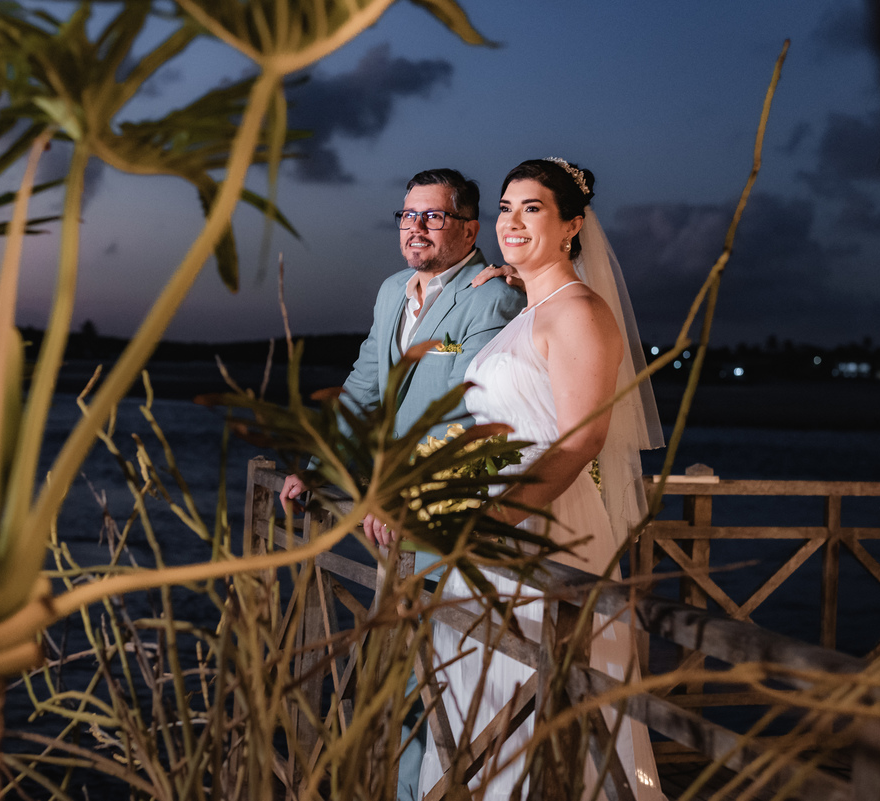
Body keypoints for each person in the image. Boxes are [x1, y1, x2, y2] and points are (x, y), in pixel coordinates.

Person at [416, 158, 666, 799]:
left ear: (572, 226)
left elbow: (582, 439)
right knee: (479, 708)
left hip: (545, 528)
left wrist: (496, 517)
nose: (512, 221)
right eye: (505, 208)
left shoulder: (580, 311)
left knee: (538, 710)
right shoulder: (529, 314)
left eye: (533, 209)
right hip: (493, 536)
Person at [278, 168, 526, 801]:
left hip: (443, 514)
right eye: (408, 215)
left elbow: (471, 417)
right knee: (397, 674)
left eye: (433, 216)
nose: (414, 227)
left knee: (430, 678)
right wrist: (320, 465)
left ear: (470, 228)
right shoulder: (393, 290)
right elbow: (364, 387)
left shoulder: (492, 298)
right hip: (392, 522)